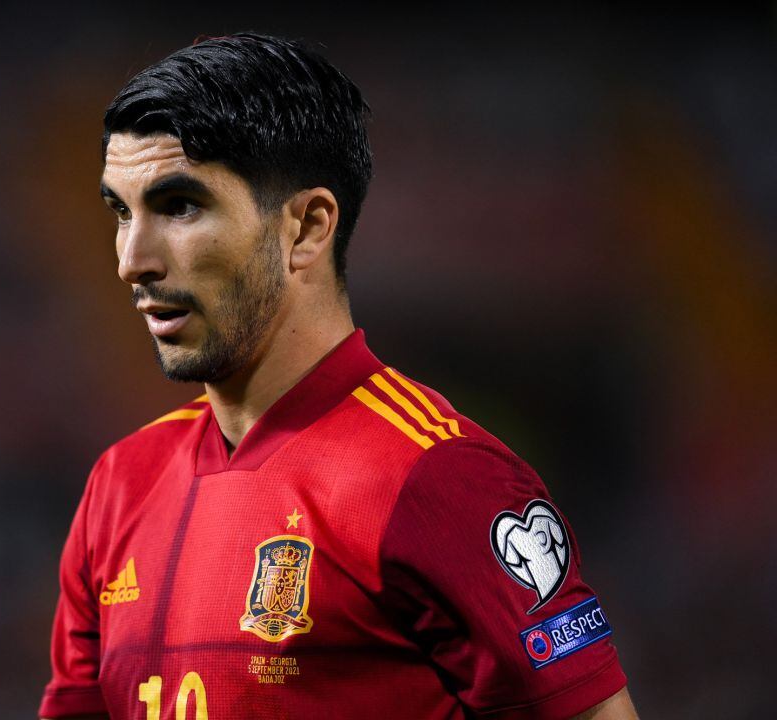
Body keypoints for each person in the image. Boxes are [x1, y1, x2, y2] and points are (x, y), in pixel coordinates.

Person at [38, 32, 638, 720]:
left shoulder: (437, 477)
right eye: (121, 210)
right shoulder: (120, 485)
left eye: (179, 206)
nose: (131, 260)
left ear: (307, 228)